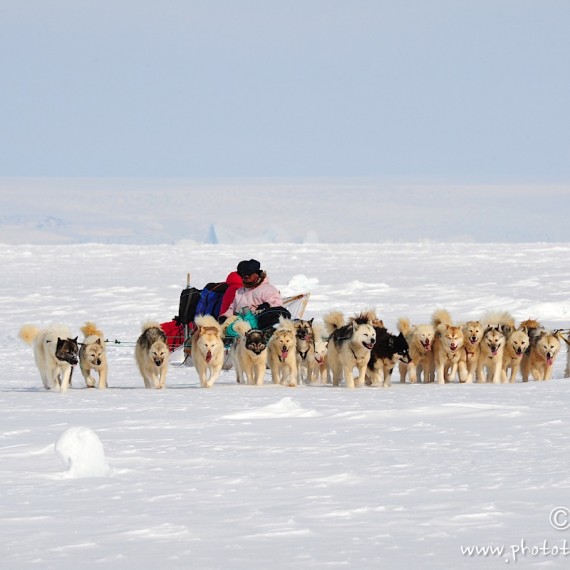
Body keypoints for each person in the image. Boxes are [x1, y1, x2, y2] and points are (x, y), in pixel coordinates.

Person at [219, 259, 290, 330]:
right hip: (241, 327)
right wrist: (225, 316)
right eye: (243, 275)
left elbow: (277, 306)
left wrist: (267, 305)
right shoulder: (239, 292)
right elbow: (232, 309)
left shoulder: (267, 289)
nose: (246, 277)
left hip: (261, 329)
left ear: (256, 274)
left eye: (249, 274)